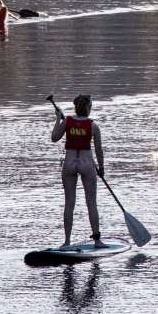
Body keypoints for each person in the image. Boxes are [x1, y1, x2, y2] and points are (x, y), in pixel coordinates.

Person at [51, 94, 105, 248]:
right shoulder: (93, 126)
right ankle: (97, 240)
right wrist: (101, 168)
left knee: (69, 204)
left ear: (76, 107)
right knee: (91, 203)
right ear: (89, 108)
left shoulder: (67, 121)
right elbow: (99, 151)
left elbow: (54, 138)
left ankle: (67, 241)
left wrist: (57, 120)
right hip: (87, 164)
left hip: (69, 163)